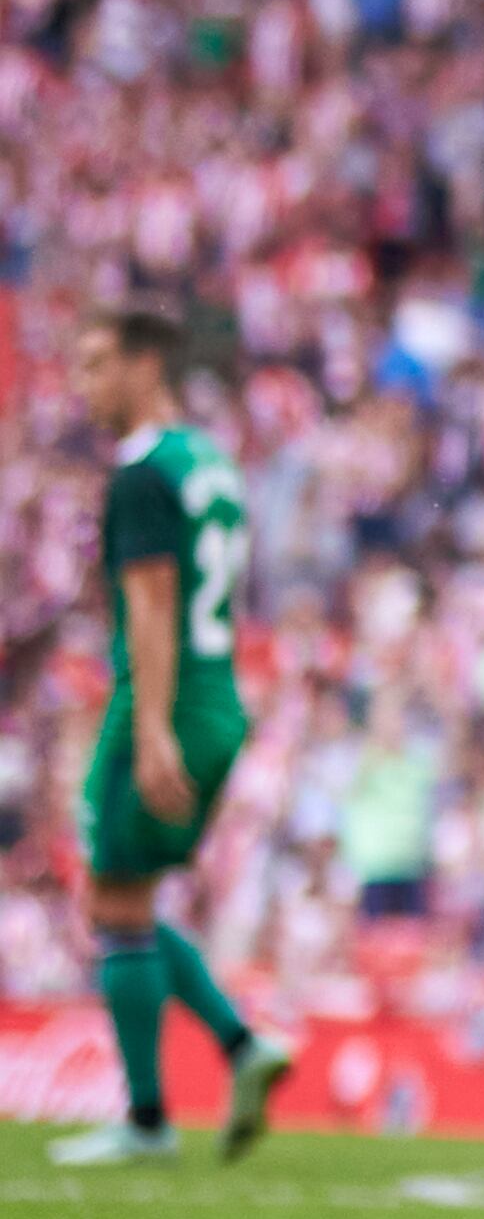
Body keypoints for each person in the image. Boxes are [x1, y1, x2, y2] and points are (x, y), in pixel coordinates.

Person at [49, 306, 293, 1170]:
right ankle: (238, 1045)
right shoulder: (209, 463)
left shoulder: (141, 472)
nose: (87, 383)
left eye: (99, 362)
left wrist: (148, 729)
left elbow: (151, 605)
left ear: (147, 364)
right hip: (219, 694)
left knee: (110, 902)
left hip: (167, 698)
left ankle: (149, 1116)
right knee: (129, 902)